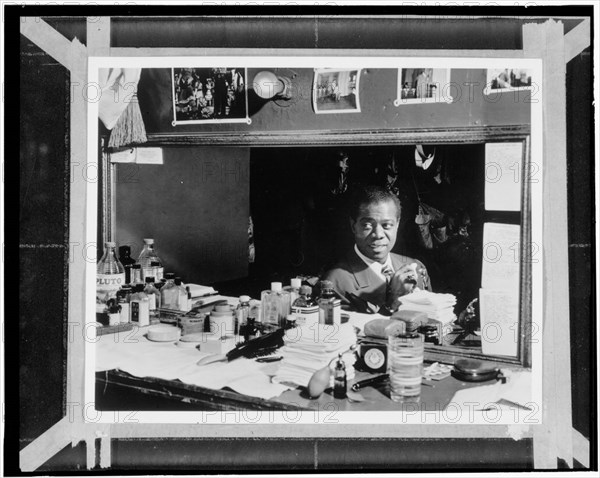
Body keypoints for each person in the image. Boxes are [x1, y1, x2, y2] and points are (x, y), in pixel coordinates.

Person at [323, 185, 429, 315]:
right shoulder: (336, 282)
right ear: (353, 226)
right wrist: (393, 300)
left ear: (397, 224)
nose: (378, 234)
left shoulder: (416, 267)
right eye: (367, 225)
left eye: (387, 225)